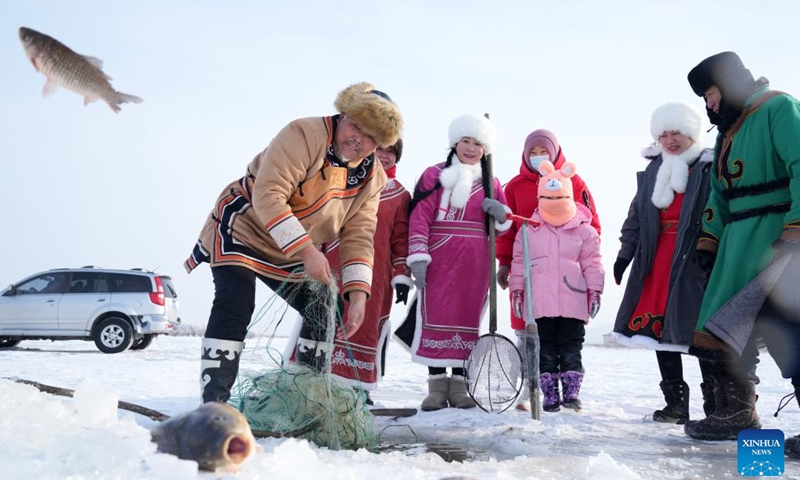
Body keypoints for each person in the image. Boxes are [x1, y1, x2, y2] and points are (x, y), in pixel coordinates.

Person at [184, 82, 403, 403]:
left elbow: (359, 234)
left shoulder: (373, 179)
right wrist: (306, 251)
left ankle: (304, 400)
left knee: (323, 308)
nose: (359, 139)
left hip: (290, 246)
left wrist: (357, 294)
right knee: (236, 304)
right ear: (343, 115)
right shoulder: (304, 133)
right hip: (244, 227)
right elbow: (269, 195)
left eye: (372, 137)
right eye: (356, 126)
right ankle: (214, 403)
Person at [681, 51, 800, 442]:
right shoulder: (728, 132)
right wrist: (709, 240)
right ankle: (736, 413)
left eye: (711, 95)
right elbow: (718, 196)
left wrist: (796, 232)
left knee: (790, 331)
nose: (709, 105)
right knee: (725, 326)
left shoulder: (779, 108)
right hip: (737, 244)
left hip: (777, 239)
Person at [394, 114, 512, 411]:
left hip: (475, 262)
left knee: (467, 320)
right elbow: (419, 218)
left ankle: (460, 387)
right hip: (440, 257)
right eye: (466, 141)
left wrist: (500, 214)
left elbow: (502, 226)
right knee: (435, 317)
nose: (471, 148)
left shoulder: (492, 181)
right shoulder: (433, 175)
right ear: (455, 143)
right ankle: (436, 386)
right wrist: (418, 256)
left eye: (478, 144)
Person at [286, 140, 412, 404]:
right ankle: (315, 379)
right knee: (327, 313)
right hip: (333, 262)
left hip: (376, 273)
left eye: (391, 152)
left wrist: (401, 274)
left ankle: (358, 385)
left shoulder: (400, 196)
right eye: (380, 150)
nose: (384, 156)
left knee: (364, 324)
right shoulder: (342, 182)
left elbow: (401, 239)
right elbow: (319, 218)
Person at [612, 101, 715, 424]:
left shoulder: (707, 167)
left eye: (677, 133)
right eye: (664, 135)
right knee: (659, 330)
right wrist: (625, 254)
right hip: (656, 259)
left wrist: (711, 250)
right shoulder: (654, 170)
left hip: (694, 259)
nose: (670, 141)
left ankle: (715, 404)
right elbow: (637, 218)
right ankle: (676, 403)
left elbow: (717, 213)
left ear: (691, 134)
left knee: (697, 333)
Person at [495, 128, 601, 409]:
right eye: (533, 153)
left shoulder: (574, 181)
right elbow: (508, 231)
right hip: (532, 273)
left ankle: (565, 392)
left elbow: (592, 224)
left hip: (567, 278)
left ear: (555, 153)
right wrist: (504, 262)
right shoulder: (514, 186)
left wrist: (588, 270)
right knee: (528, 333)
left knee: (566, 341)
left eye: (543, 152)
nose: (538, 156)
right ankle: (529, 392)